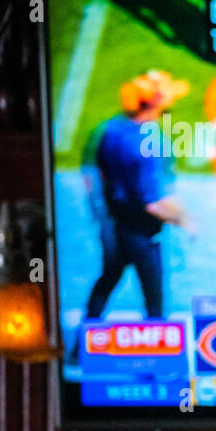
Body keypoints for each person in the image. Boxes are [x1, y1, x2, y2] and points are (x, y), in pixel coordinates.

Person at [81, 70, 192, 327]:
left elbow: (94, 174)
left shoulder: (111, 129)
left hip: (116, 223)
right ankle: (159, 351)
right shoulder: (150, 143)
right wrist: (186, 219)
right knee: (153, 295)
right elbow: (154, 203)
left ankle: (80, 347)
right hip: (141, 232)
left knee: (107, 281)